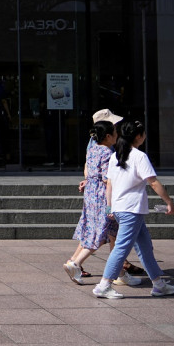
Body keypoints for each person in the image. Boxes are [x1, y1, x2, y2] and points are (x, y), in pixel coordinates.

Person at [93, 120, 174, 299]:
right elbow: (153, 182)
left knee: (144, 246)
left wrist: (110, 206)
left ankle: (158, 284)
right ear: (138, 137)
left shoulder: (115, 155)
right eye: (144, 133)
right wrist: (169, 202)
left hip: (122, 208)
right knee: (121, 248)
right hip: (131, 210)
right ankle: (104, 285)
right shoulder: (139, 156)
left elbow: (109, 184)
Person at [63, 117, 133, 285]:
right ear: (108, 136)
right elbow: (107, 179)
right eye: (115, 133)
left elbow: (90, 171)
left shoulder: (93, 150)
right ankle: (75, 263)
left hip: (90, 193)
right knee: (103, 233)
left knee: (102, 231)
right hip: (102, 195)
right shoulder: (108, 153)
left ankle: (120, 273)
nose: (117, 135)